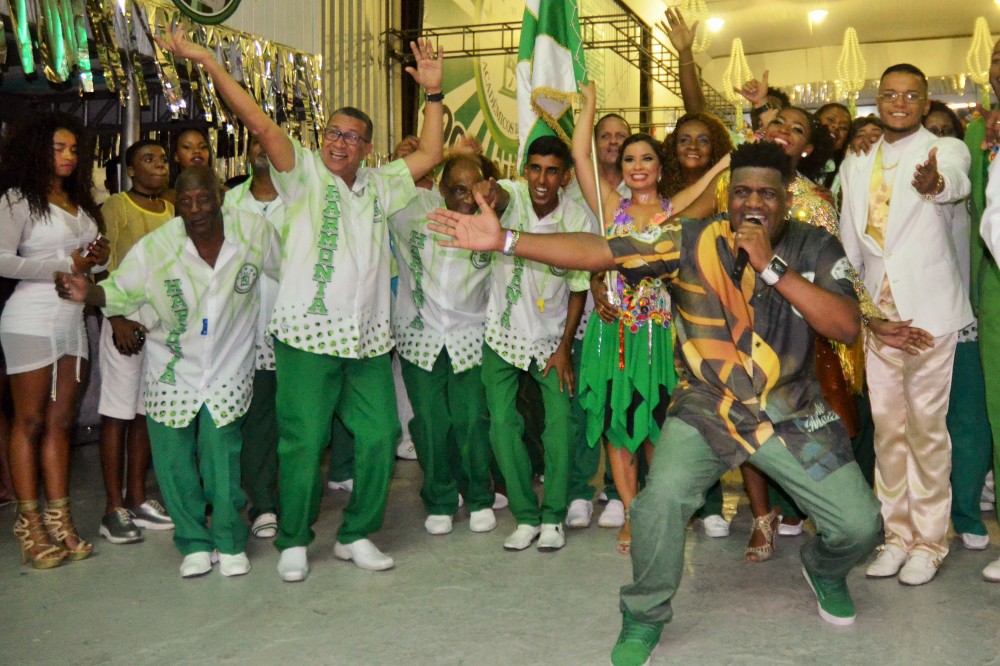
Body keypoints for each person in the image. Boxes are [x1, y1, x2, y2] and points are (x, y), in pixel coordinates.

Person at [429, 141, 883, 666]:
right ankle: (644, 615)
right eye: (740, 192)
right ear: (725, 194)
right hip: (709, 407)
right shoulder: (687, 239)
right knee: (658, 502)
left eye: (766, 193)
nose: (751, 204)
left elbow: (846, 326)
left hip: (792, 411)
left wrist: (771, 267)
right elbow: (602, 250)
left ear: (788, 198)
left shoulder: (817, 246)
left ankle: (823, 568)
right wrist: (507, 239)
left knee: (861, 526)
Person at [155, 27, 444, 581]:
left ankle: (357, 533)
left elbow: (431, 150)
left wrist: (433, 95)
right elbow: (260, 123)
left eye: (352, 136)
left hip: (367, 342)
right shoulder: (303, 174)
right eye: (333, 132)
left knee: (382, 434)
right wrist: (212, 64)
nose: (339, 142)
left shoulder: (383, 185)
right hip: (307, 338)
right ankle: (293, 538)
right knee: (304, 441)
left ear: (367, 147)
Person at [55, 166, 280, 578]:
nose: (196, 210)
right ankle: (194, 542)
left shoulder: (254, 233)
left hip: (229, 365)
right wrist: (90, 292)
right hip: (173, 367)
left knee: (222, 459)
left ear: (221, 198)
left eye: (205, 199)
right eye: (187, 201)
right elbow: (121, 288)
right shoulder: (158, 247)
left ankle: (230, 542)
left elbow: (286, 269)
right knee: (174, 462)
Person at [572, 81, 728, 553]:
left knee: (659, 426)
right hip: (612, 333)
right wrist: (589, 107)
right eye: (629, 160)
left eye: (646, 159)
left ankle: (660, 508)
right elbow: (580, 154)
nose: (637, 167)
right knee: (618, 426)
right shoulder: (608, 206)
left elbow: (708, 184)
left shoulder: (671, 212)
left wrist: (724, 161)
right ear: (620, 170)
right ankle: (632, 511)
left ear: (661, 167)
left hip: (659, 337)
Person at [839, 63, 972, 586]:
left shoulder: (943, 149)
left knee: (927, 431)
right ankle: (896, 537)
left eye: (911, 95)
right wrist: (863, 313)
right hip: (880, 316)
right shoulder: (858, 159)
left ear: (924, 103)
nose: (899, 103)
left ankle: (930, 542)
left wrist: (936, 184)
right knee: (889, 430)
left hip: (929, 314)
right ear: (877, 99)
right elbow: (851, 245)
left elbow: (955, 184)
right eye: (890, 94)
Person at [475, 135, 594, 552]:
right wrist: (487, 192)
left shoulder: (578, 218)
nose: (542, 179)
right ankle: (525, 516)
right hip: (502, 337)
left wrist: (565, 347)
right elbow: (498, 197)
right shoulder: (513, 199)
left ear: (564, 177)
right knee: (503, 426)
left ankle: (554, 517)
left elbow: (579, 287)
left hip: (551, 340)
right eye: (535, 168)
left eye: (552, 171)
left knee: (560, 425)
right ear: (525, 170)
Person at [0, 111, 108, 568]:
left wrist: (98, 261)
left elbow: (92, 269)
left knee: (62, 422)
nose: (68, 156)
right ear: (37, 151)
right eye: (58, 148)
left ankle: (60, 518)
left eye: (73, 149)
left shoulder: (79, 201)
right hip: (29, 315)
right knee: (29, 423)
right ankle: (30, 526)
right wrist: (66, 266)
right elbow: (4, 261)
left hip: (71, 317)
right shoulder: (16, 199)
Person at [389, 152, 496, 535]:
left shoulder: (494, 220)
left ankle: (480, 495)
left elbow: (517, 199)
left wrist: (494, 199)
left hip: (471, 337)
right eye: (458, 190)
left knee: (472, 421)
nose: (467, 198)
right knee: (432, 424)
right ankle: (440, 498)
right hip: (421, 337)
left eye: (475, 188)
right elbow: (376, 190)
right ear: (440, 188)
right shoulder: (413, 213)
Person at [96, 139, 176, 544]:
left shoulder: (172, 211)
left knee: (146, 411)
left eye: (162, 159)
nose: (159, 165)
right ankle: (112, 508)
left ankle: (138, 497)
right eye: (148, 159)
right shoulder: (117, 207)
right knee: (117, 413)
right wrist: (116, 317)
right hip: (123, 321)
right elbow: (100, 266)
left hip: (157, 326)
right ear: (130, 170)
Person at [920, 103, 992, 553]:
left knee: (968, 424)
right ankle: (924, 515)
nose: (937, 140)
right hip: (912, 322)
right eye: (930, 131)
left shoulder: (964, 184)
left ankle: (966, 512)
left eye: (947, 132)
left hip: (963, 318)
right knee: (921, 427)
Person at [225, 136, 284, 540]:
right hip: (244, 328)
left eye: (270, 144)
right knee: (256, 421)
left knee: (295, 422)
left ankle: (288, 500)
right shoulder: (230, 203)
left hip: (296, 323)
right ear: (247, 154)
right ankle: (263, 503)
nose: (263, 150)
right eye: (256, 145)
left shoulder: (301, 199)